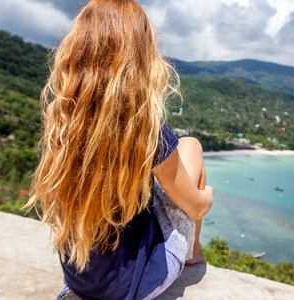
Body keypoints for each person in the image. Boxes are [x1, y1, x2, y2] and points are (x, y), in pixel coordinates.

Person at [25, 0, 213, 299]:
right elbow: (196, 208)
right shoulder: (145, 127)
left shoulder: (57, 115)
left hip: (80, 280)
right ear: (142, 54)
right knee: (191, 145)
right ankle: (193, 255)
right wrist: (206, 195)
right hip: (133, 285)